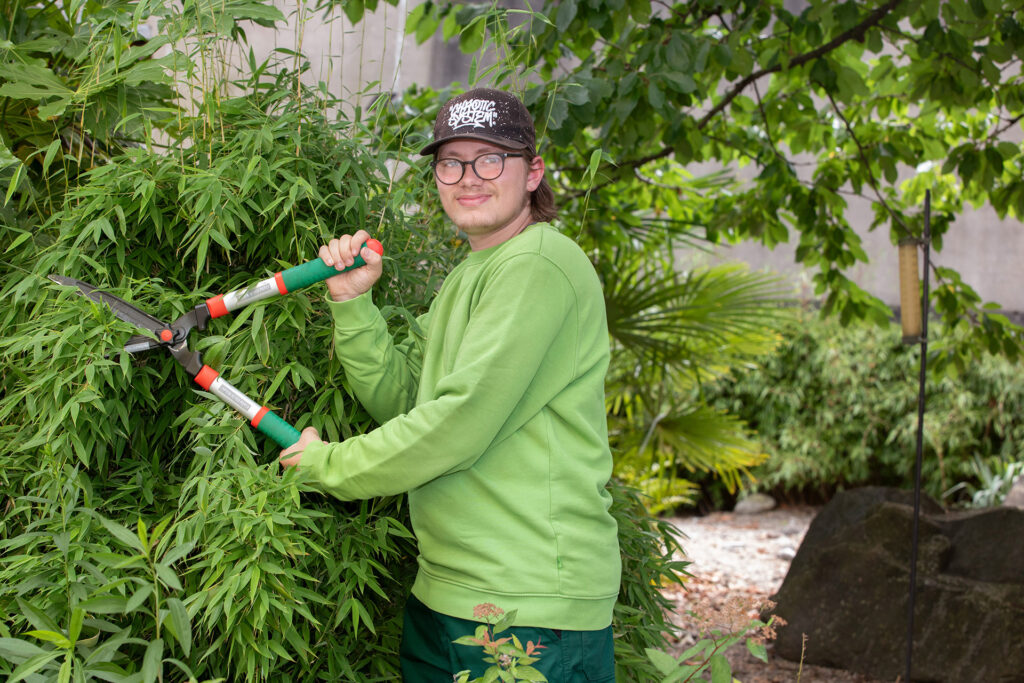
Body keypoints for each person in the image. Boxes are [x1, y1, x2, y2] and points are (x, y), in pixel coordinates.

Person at [279, 88, 620, 682]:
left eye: (490, 159)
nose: (469, 177)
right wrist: (353, 304)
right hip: (449, 592)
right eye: (451, 162)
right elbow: (406, 399)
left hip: (528, 606)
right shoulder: (475, 272)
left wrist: (330, 465)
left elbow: (457, 423)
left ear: (533, 172)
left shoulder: (538, 264)